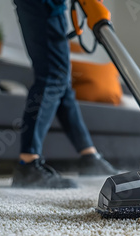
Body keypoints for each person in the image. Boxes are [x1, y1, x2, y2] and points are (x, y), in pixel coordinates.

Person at [11, 0, 117, 189]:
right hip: (45, 5)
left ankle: (89, 156)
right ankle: (27, 164)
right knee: (53, 76)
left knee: (62, 85)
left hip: (50, 7)